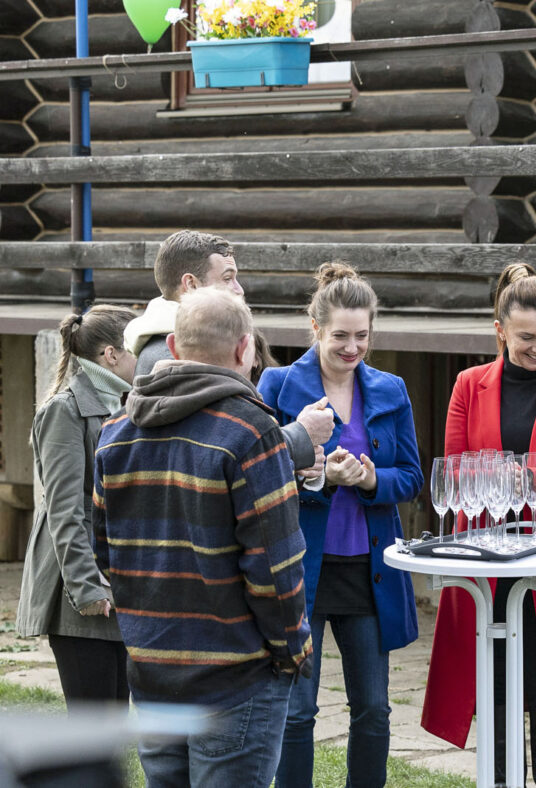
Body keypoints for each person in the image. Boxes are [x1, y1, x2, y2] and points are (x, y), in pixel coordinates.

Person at [92, 288, 313, 787]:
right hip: (235, 679)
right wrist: (292, 649)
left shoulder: (115, 432)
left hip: (152, 673)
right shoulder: (252, 431)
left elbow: (106, 555)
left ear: (173, 345)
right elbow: (276, 569)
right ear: (245, 350)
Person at [421, 262, 536, 787]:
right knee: (496, 687)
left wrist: (523, 480)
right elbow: (458, 473)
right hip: (487, 563)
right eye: (527, 337)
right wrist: (506, 482)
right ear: (500, 330)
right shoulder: (467, 384)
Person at [258, 263, 424, 788]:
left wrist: (374, 479)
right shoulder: (279, 384)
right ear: (315, 327)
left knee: (374, 708)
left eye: (362, 336)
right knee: (298, 712)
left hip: (368, 572)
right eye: (340, 337)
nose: (352, 348)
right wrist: (320, 476)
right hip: (299, 569)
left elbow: (412, 476)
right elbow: (258, 474)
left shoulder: (392, 389)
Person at [124, 229, 332, 472]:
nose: (239, 289)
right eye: (227, 278)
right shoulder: (169, 358)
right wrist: (301, 435)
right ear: (191, 285)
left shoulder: (168, 347)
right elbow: (211, 449)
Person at [17, 306, 137, 708]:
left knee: (115, 718)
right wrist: (87, 589)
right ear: (111, 355)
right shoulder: (64, 410)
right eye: (137, 348)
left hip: (115, 582)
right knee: (94, 723)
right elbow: (64, 511)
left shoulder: (127, 404)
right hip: (80, 592)